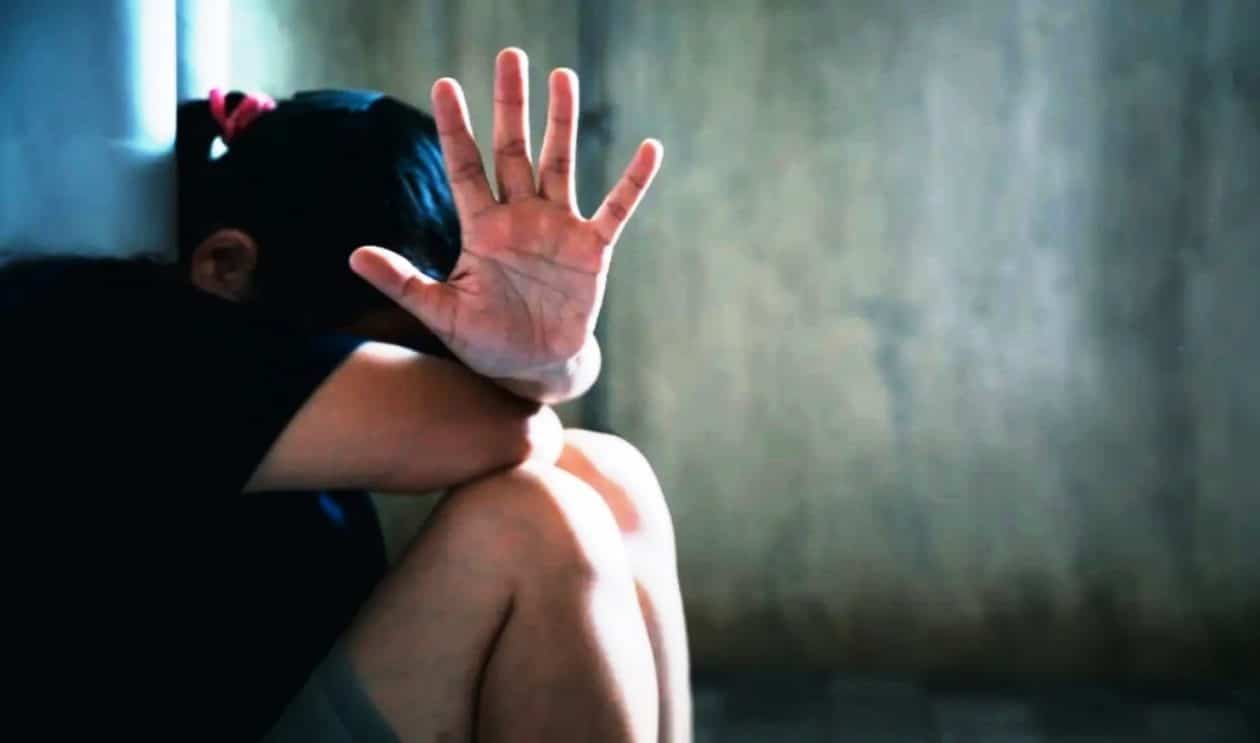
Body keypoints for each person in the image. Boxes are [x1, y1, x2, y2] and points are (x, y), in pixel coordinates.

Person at [2, 48, 690, 742]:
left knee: (606, 472)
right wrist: (546, 366)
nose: (442, 377)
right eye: (410, 352)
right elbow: (515, 432)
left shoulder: (234, 319)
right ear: (226, 267)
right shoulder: (112, 336)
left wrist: (553, 353)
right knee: (533, 522)